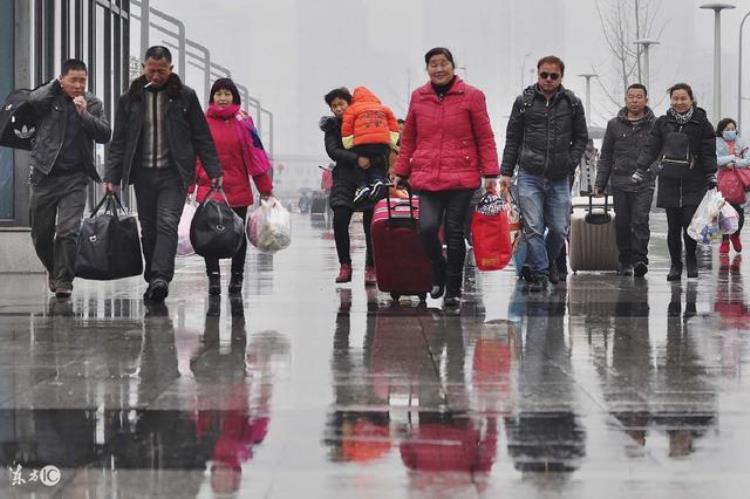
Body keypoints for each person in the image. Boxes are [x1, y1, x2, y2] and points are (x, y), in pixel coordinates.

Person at [105, 46, 223, 302]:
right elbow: (119, 141)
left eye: (161, 71)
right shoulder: (130, 99)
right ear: (145, 67)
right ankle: (153, 276)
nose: (156, 76)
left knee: (167, 224)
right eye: (151, 70)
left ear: (171, 69)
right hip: (143, 175)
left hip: (174, 175)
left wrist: (214, 170)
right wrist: (111, 177)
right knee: (148, 229)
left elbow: (202, 136)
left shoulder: (185, 97)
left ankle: (160, 277)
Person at [393, 47, 499, 315]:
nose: (438, 69)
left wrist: (491, 173)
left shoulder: (472, 96)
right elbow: (409, 139)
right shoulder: (419, 97)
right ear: (427, 68)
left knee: (454, 233)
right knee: (427, 228)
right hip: (427, 176)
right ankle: (438, 269)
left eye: (443, 64)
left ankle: (453, 289)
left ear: (453, 66)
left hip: (462, 178)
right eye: (433, 64)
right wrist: (401, 171)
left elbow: (485, 136)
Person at [500, 55, 588, 292]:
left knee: (559, 229)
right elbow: (513, 139)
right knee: (533, 227)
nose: (548, 80)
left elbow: (581, 138)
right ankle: (540, 273)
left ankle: (543, 263)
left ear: (561, 77)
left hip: (560, 176)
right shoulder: (524, 102)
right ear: (537, 74)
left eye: (554, 76)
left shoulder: (572, 103)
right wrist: (505, 172)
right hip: (529, 174)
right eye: (544, 75)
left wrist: (570, 162)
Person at [27, 58, 111, 298]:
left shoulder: (93, 103)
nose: (78, 85)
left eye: (82, 80)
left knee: (68, 231)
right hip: (44, 174)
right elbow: (32, 101)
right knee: (40, 234)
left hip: (75, 178)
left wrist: (84, 114)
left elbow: (105, 133)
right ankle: (55, 271)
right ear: (62, 79)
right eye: (73, 80)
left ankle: (64, 280)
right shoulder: (49, 98)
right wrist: (54, 86)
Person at [191, 78, 274, 296]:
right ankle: (214, 277)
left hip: (237, 188)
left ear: (234, 97)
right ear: (212, 97)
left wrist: (265, 187)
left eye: (227, 93)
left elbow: (255, 156)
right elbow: (193, 155)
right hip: (209, 188)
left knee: (237, 235)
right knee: (209, 234)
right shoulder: (201, 121)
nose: (222, 98)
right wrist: (189, 186)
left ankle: (237, 277)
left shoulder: (244, 122)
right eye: (218, 93)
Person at [632, 83, 717, 281]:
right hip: (669, 180)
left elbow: (708, 150)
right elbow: (651, 147)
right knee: (673, 227)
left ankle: (691, 261)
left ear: (691, 100)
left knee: (689, 224)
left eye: (683, 98)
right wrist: (640, 169)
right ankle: (675, 265)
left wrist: (710, 174)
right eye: (675, 99)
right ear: (671, 100)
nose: (679, 102)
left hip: (693, 181)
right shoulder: (662, 123)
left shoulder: (701, 122)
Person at [594, 83, 656, 277]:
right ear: (626, 99)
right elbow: (606, 156)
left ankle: (639, 260)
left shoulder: (655, 125)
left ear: (646, 100)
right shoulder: (614, 125)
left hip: (644, 183)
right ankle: (625, 260)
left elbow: (660, 152)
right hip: (619, 181)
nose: (635, 100)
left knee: (640, 220)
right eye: (631, 97)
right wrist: (600, 183)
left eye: (639, 97)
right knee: (622, 222)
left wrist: (652, 171)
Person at [320, 87, 376, 286]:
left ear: (350, 104)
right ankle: (345, 265)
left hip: (368, 178)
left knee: (372, 226)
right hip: (344, 178)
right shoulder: (331, 127)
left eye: (341, 104)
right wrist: (356, 158)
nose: (338, 109)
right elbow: (333, 151)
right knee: (340, 221)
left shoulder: (365, 121)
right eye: (334, 106)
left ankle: (371, 266)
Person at [341, 86, 399, 204]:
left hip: (362, 145)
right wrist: (391, 140)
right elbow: (393, 124)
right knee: (376, 162)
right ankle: (377, 180)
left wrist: (349, 143)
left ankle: (362, 186)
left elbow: (347, 128)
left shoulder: (352, 109)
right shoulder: (384, 108)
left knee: (359, 163)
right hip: (382, 145)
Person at [715, 118, 749, 255]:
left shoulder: (742, 142)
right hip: (721, 182)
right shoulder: (716, 143)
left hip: (738, 182)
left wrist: (732, 162)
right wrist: (732, 158)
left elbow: (748, 160)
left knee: (738, 212)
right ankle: (724, 240)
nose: (730, 131)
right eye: (727, 129)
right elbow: (715, 160)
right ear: (721, 131)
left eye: (732, 129)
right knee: (723, 212)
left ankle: (735, 235)